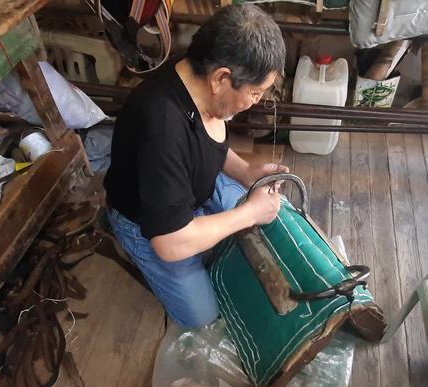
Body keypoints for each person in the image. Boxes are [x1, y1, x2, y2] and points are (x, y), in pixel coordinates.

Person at [103, 5, 289, 328]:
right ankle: (122, 237)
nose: (257, 101)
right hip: (149, 222)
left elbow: (206, 140)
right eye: (255, 92)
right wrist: (249, 213)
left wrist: (245, 172)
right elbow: (170, 242)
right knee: (203, 315)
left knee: (269, 225)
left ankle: (213, 221)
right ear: (221, 78)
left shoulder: (196, 74)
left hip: (191, 183)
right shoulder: (162, 125)